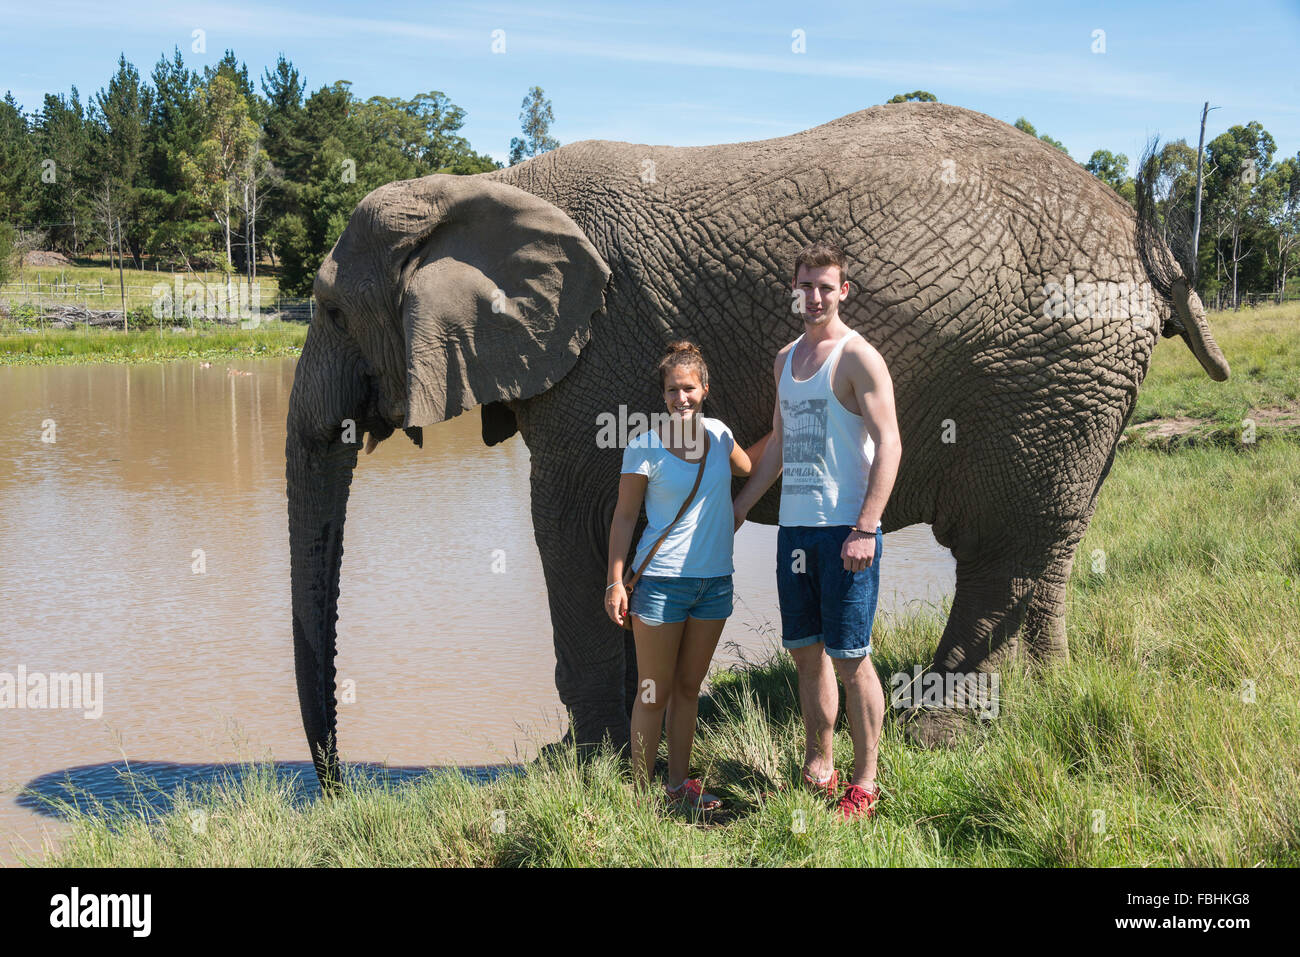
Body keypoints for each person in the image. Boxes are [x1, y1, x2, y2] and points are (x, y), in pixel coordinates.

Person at [733, 241, 902, 820]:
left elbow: (890, 444)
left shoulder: (858, 358)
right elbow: (780, 444)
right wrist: (740, 505)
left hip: (846, 533)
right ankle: (819, 767)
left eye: (825, 286)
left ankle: (866, 780)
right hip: (796, 530)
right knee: (806, 655)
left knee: (852, 657)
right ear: (795, 289)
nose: (814, 297)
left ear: (843, 290)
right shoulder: (784, 360)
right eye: (805, 286)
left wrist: (866, 526)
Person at [605, 341, 757, 811]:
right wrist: (614, 581)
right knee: (653, 691)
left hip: (715, 585)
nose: (681, 397)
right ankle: (638, 797)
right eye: (673, 390)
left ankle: (677, 787)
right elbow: (625, 518)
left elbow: (749, 467)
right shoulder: (643, 447)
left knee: (689, 690)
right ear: (664, 395)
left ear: (705, 389)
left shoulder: (720, 436)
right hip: (661, 586)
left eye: (689, 388)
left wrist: (738, 509)